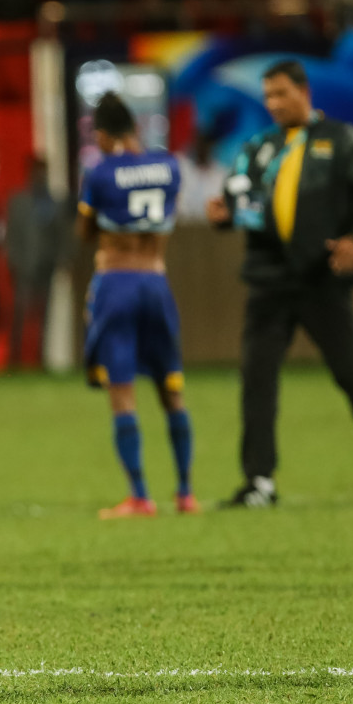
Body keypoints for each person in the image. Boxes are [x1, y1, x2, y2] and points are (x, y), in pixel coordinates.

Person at [207, 59, 353, 506]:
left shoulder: (341, 141)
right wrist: (222, 215)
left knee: (352, 377)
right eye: (267, 96)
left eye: (281, 94)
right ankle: (259, 481)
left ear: (304, 92)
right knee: (257, 381)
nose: (273, 104)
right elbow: (238, 202)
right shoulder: (257, 146)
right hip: (268, 281)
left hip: (321, 280)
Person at [77, 93, 197, 517]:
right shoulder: (169, 166)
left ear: (104, 135)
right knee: (171, 388)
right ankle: (185, 493)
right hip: (155, 280)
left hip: (116, 282)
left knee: (122, 390)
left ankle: (141, 496)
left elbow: (85, 229)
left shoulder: (100, 171)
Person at [5, 157, 63, 368]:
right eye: (38, 171)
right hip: (24, 267)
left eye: (44, 172)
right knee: (19, 315)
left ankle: (41, 359)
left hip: (46, 266)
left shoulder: (54, 202)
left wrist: (60, 260)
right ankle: (15, 360)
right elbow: (12, 235)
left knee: (45, 317)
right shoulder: (18, 201)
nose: (41, 177)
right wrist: (15, 262)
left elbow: (60, 235)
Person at [176, 134, 227, 221]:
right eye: (201, 143)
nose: (203, 148)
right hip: (183, 225)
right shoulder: (181, 167)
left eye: (207, 143)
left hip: (209, 227)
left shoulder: (221, 175)